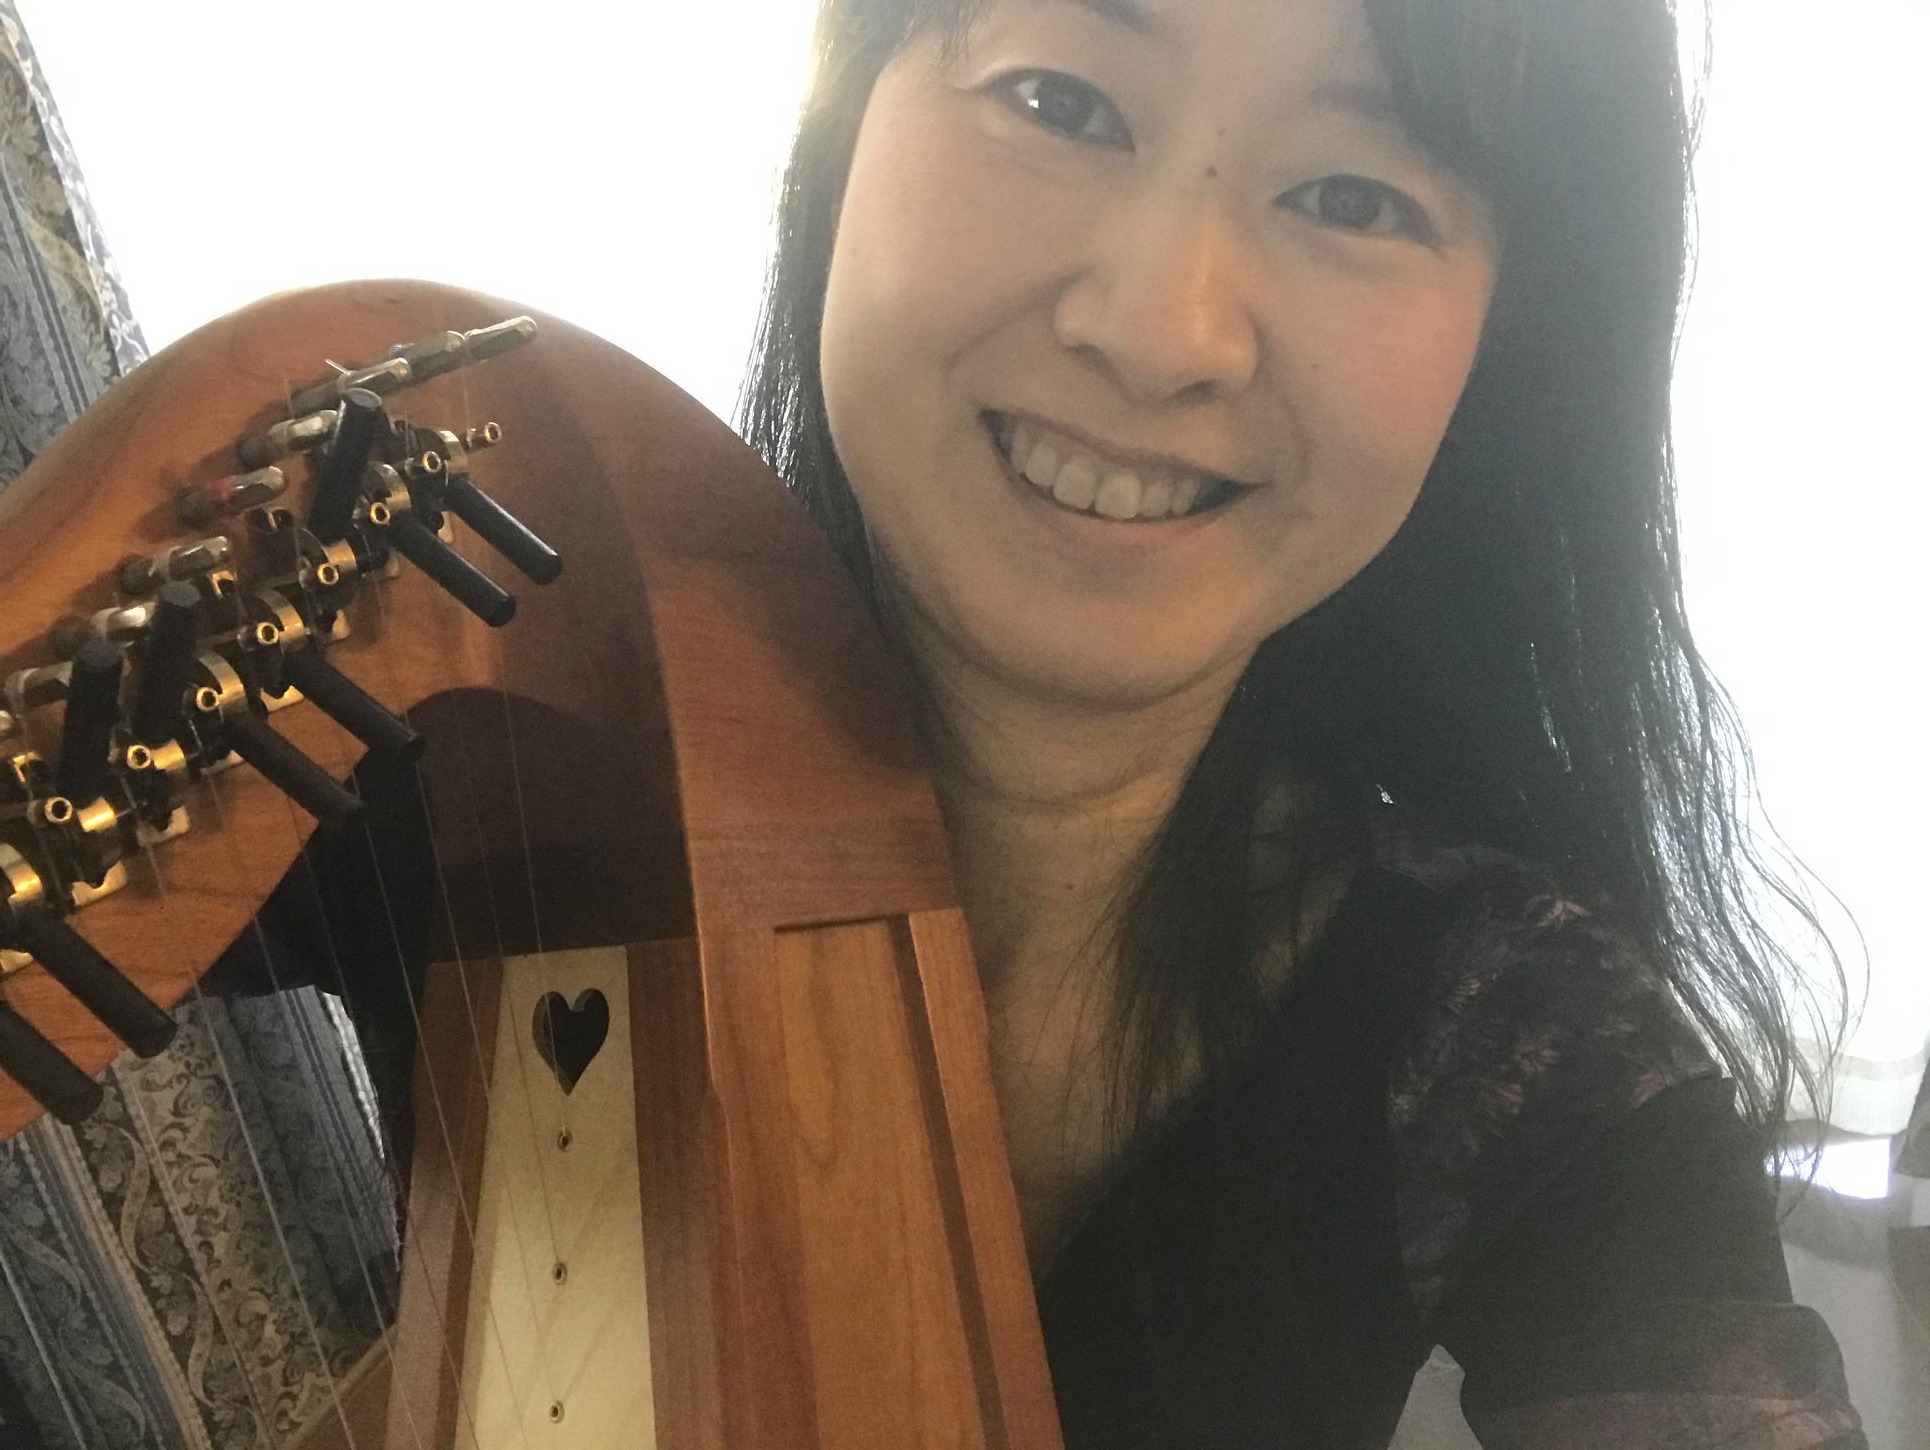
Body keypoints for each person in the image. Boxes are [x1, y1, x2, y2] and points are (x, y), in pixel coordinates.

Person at [738, 0, 1867, 1444]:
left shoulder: (1517, 1030)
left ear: (1506, 345)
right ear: (839, 120)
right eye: (1060, 102)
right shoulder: (493, 753)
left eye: (1353, 198)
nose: (1159, 335)